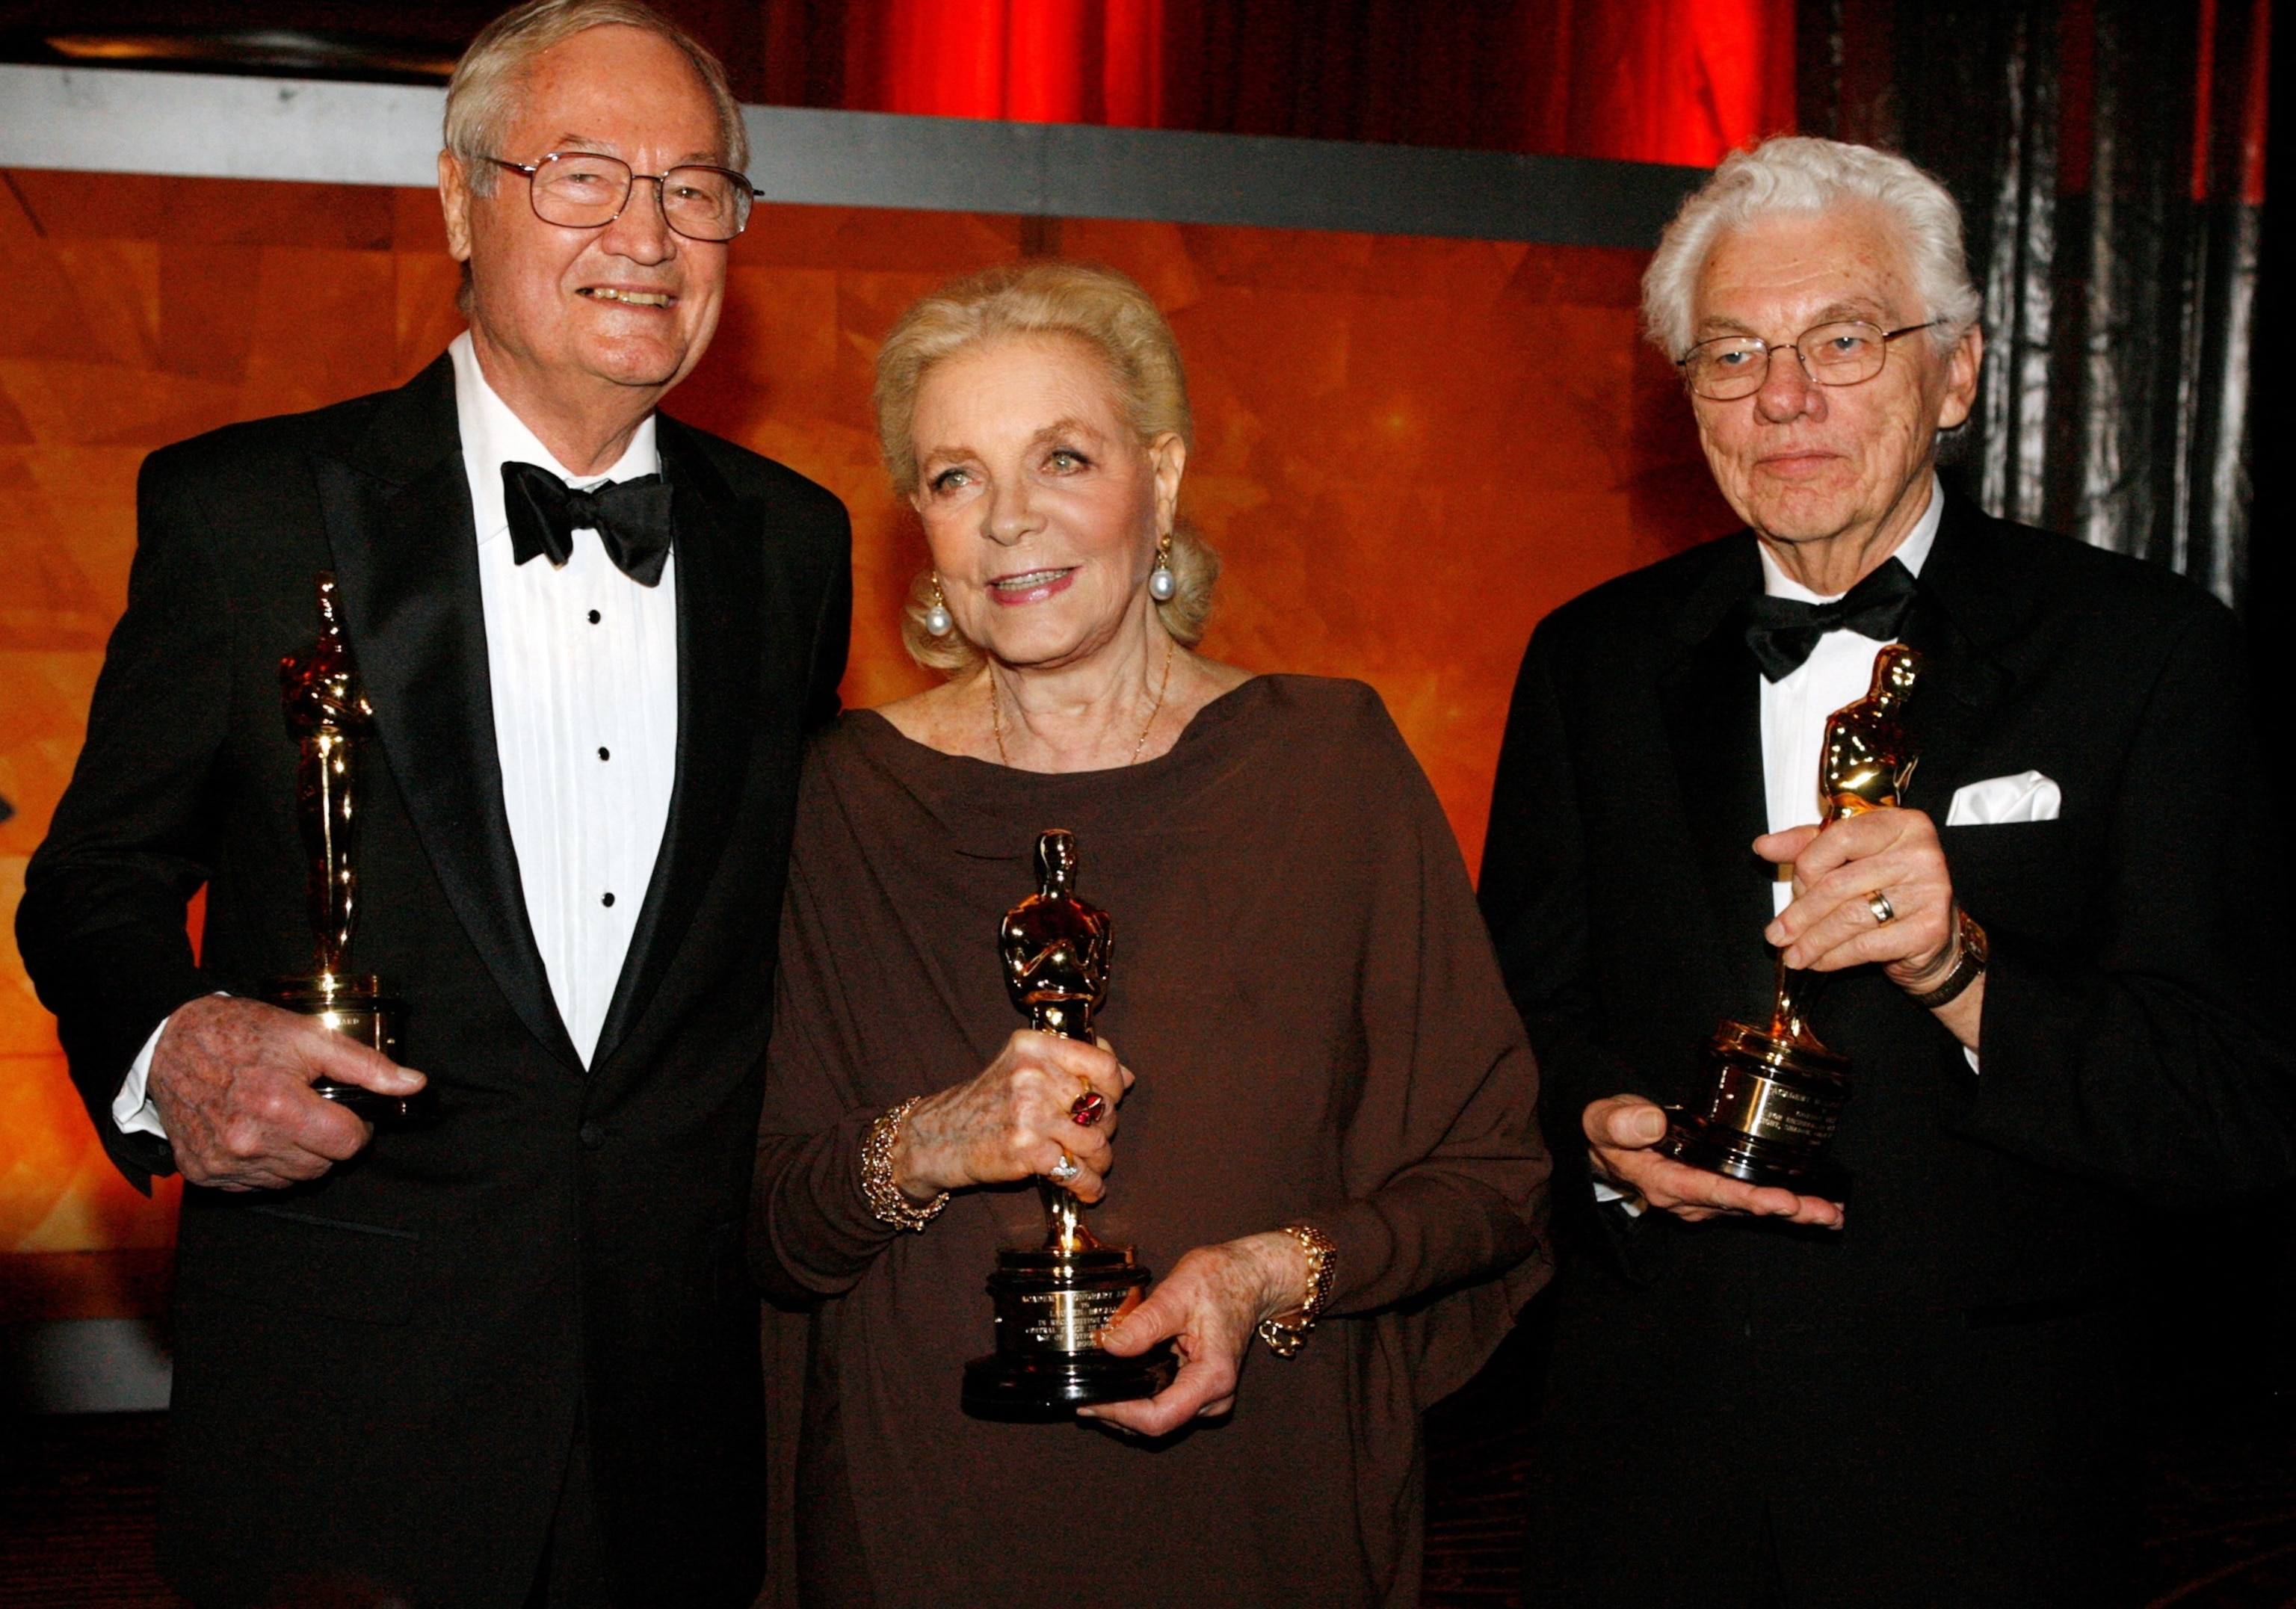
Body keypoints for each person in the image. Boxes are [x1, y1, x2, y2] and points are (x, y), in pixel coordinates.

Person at [13, 3, 850, 1605]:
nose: (648, 236)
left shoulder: (793, 546)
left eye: (697, 188)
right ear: (461, 202)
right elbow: (95, 884)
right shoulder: (248, 513)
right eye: (585, 176)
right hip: (350, 1411)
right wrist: (169, 1046)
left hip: (677, 1420)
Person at [1478, 134, 2296, 1608]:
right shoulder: (1587, 659)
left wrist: (1963, 974)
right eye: (1731, 354)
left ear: (1960, 375)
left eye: (1843, 339)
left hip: (1984, 1486)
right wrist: (1593, 1127)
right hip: (1650, 1467)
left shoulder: (2150, 656)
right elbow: (1520, 1024)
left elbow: (2235, 1107)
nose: (1783, 395)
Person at [749, 261, 1549, 1609]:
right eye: (954, 477)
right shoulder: (844, 794)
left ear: (1162, 480)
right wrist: (935, 1139)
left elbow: (1490, 1177)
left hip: (1258, 1522)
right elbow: (767, 1225)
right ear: (921, 530)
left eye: (1062, 456)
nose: (1009, 521)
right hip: (922, 1527)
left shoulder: (1330, 765)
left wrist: (1266, 1271)